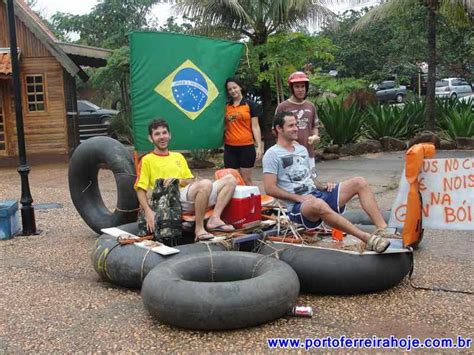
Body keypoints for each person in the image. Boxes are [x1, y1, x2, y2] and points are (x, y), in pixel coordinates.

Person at [262, 111, 393, 253]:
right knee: (317, 203)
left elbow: (310, 178)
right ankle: (366, 238)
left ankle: (382, 229)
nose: (296, 128)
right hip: (298, 207)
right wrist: (298, 198)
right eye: (291, 125)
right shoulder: (272, 154)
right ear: (279, 129)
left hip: (316, 195)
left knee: (359, 182)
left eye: (296, 124)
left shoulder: (301, 149)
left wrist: (323, 186)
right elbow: (269, 188)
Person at [135, 118, 237, 241]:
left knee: (230, 179)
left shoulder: (178, 156)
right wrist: (148, 211)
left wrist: (177, 180)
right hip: (170, 201)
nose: (162, 137)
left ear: (170, 135)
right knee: (205, 184)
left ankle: (215, 219)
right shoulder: (147, 160)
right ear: (150, 138)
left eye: (164, 133)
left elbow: (189, 180)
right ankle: (199, 230)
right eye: (157, 134)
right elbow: (140, 189)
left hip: (188, 195)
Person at [275, 71, 319, 173]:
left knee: (311, 182)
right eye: (297, 87)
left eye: (303, 86)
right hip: (289, 154)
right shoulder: (283, 107)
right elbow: (275, 130)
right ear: (292, 88)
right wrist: (290, 141)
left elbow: (315, 126)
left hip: (308, 153)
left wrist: (315, 136)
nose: (300, 90)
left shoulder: (310, 106)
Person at [224, 77, 263, 185]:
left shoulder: (250, 105)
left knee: (246, 180)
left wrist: (259, 146)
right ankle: (235, 202)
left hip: (246, 147)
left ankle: (253, 201)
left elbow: (255, 126)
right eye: (230, 89)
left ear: (240, 87)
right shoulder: (226, 106)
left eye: (235, 87)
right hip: (230, 148)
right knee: (233, 181)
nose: (233, 91)